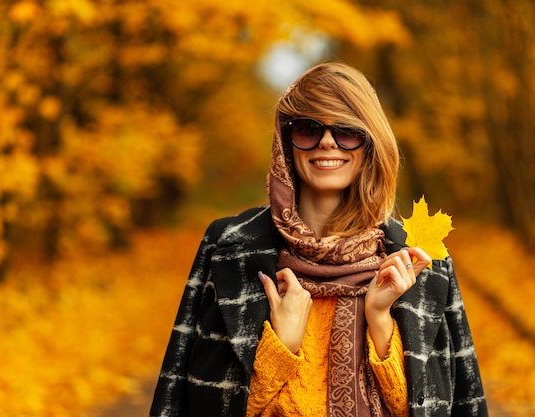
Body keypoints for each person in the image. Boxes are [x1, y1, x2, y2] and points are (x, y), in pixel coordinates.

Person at [150, 62, 489, 417]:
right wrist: (281, 348)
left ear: (370, 143)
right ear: (287, 141)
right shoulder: (228, 249)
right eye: (309, 129)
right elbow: (181, 399)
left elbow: (456, 406)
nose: (328, 141)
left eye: (346, 130)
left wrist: (380, 320)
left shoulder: (422, 263)